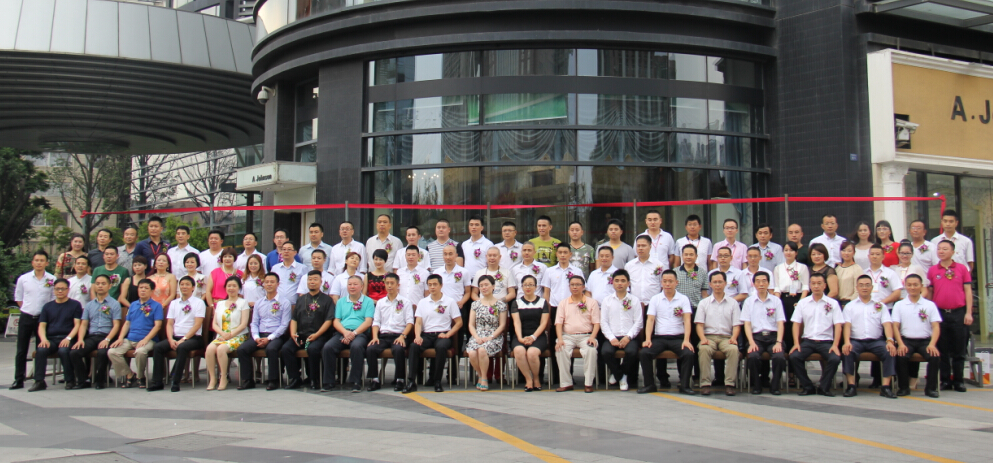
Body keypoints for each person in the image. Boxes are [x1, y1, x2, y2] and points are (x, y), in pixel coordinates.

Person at [637, 270, 695, 395]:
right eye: (665, 281)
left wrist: (686, 340)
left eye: (670, 281)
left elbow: (687, 320)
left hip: (678, 337)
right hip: (660, 338)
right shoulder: (655, 299)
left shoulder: (683, 299)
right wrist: (648, 339)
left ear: (676, 282)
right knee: (645, 353)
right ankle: (649, 385)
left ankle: (684, 385)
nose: (667, 284)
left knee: (688, 354)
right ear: (661, 282)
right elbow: (650, 320)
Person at [403, 274, 463, 393]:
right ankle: (411, 381)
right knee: (414, 346)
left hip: (443, 334)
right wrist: (418, 336)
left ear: (441, 285)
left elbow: (459, 322)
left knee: (441, 347)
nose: (432, 287)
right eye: (430, 285)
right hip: (427, 334)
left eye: (435, 284)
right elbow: (418, 322)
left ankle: (437, 381)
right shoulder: (423, 302)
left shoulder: (450, 301)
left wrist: (448, 334)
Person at [841, 275, 897, 398]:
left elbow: (887, 324)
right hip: (856, 341)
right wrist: (846, 341)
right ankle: (851, 386)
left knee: (889, 351)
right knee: (847, 351)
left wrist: (890, 341)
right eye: (861, 285)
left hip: (876, 341)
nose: (864, 288)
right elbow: (847, 326)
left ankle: (886, 387)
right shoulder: (850, 306)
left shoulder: (880, 305)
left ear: (872, 287)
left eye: (867, 285)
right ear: (857, 288)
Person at [927, 239, 972, 392]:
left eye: (945, 249)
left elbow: (968, 291)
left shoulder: (962, 269)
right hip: (940, 314)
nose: (941, 251)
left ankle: (958, 380)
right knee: (942, 349)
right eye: (939, 249)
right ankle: (945, 380)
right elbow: (930, 292)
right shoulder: (933, 270)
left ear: (953, 252)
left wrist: (968, 312)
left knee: (959, 349)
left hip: (958, 313)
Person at [788, 273, 843, 396]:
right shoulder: (803, 303)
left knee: (835, 359)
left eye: (819, 283)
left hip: (826, 342)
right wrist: (796, 343)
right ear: (810, 285)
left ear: (825, 285)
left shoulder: (833, 303)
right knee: (794, 357)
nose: (816, 286)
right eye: (813, 283)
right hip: (808, 341)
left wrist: (835, 345)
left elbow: (838, 325)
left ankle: (824, 387)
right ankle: (808, 386)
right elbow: (796, 324)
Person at [148, 276, 206, 392]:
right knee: (158, 347)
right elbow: (170, 324)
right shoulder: (174, 303)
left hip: (193, 338)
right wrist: (170, 339)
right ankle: (157, 381)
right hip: (175, 336)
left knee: (182, 347)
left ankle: (175, 380)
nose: (184, 287)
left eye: (187, 284)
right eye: (182, 284)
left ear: (193, 287)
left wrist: (184, 339)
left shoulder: (199, 303)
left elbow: (197, 324)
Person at [236, 273, 291, 391]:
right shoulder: (259, 303)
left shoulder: (284, 302)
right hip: (260, 334)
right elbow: (254, 323)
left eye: (272, 282)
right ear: (263, 284)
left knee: (271, 349)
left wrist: (269, 338)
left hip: (276, 335)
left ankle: (273, 380)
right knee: (242, 349)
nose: (269, 284)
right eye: (267, 282)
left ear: (278, 284)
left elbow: (284, 325)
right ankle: (248, 380)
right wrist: (256, 337)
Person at [281, 271, 335, 390]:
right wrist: (293, 333)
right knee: (286, 349)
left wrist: (317, 335)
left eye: (315, 279)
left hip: (319, 335)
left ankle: (314, 379)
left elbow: (329, 320)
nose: (312, 282)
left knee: (313, 349)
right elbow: (294, 318)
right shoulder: (301, 299)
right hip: (301, 335)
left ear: (321, 282)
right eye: (310, 279)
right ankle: (295, 378)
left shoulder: (327, 300)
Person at [11, 251, 56, 390]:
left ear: (46, 263)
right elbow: (19, 298)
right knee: (21, 349)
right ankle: (19, 379)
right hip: (26, 316)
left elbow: (53, 299)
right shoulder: (23, 279)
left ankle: (39, 379)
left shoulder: (51, 279)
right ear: (32, 262)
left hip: (43, 318)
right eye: (36, 260)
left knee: (41, 349)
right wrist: (27, 309)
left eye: (42, 260)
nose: (39, 263)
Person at [107, 279, 164, 389]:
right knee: (112, 352)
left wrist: (146, 339)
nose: (143, 290)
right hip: (130, 339)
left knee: (140, 352)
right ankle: (129, 374)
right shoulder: (133, 305)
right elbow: (127, 323)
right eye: (140, 288)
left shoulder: (156, 306)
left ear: (152, 291)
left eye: (146, 288)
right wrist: (120, 338)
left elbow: (157, 326)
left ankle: (140, 376)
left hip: (147, 339)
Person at [28, 279, 83, 391]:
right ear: (54, 290)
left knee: (64, 351)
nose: (60, 291)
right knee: (41, 350)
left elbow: (77, 325)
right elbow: (42, 326)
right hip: (51, 339)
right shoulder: (47, 306)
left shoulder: (75, 305)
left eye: (63, 289)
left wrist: (68, 338)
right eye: (57, 289)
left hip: (67, 338)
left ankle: (70, 380)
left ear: (68, 290)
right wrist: (44, 339)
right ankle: (39, 381)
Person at [892, 274, 942, 398]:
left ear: (921, 286)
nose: (912, 287)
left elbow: (936, 326)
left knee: (934, 356)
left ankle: (931, 388)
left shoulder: (930, 305)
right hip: (906, 340)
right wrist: (900, 344)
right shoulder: (899, 305)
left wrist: (932, 344)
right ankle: (903, 387)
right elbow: (895, 327)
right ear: (905, 286)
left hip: (925, 341)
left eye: (915, 285)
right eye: (909, 285)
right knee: (901, 356)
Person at [324, 275, 375, 392]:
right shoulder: (341, 301)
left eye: (355, 284)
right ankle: (329, 381)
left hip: (360, 333)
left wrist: (354, 333)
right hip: (343, 332)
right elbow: (336, 321)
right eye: (350, 284)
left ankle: (355, 381)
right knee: (328, 347)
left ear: (361, 286)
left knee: (357, 347)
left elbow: (368, 322)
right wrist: (345, 332)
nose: (352, 287)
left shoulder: (368, 301)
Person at [69, 275, 121, 390]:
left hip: (107, 336)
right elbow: (84, 324)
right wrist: (80, 339)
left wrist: (107, 339)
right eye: (97, 284)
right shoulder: (89, 305)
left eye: (103, 284)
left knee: (102, 353)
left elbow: (116, 325)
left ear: (109, 286)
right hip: (92, 336)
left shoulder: (114, 304)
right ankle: (83, 380)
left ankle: (100, 380)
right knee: (74, 352)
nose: (100, 286)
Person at [695, 271, 741, 396]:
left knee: (733, 349)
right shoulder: (704, 303)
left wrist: (734, 338)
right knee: (704, 349)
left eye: (720, 282)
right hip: (709, 337)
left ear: (725, 283)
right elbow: (699, 324)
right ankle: (705, 384)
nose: (717, 285)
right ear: (710, 284)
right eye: (715, 282)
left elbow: (736, 325)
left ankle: (729, 384)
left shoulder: (733, 303)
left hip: (726, 337)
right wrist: (702, 338)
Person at [366, 273, 414, 391]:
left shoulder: (405, 302)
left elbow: (410, 322)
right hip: (383, 336)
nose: (389, 286)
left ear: (398, 285)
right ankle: (375, 379)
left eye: (392, 283)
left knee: (398, 349)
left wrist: (403, 336)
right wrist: (375, 337)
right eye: (387, 283)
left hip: (399, 335)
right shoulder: (381, 302)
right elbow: (376, 322)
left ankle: (400, 379)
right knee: (371, 348)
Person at [740, 271, 785, 395]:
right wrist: (751, 342)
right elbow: (747, 324)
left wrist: (779, 342)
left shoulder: (776, 301)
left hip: (773, 337)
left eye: (764, 281)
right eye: (758, 281)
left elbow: (780, 323)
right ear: (754, 284)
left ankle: (775, 386)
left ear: (768, 283)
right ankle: (757, 385)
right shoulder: (749, 301)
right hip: (756, 337)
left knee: (779, 357)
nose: (761, 284)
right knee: (753, 356)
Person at [554, 276, 600, 393]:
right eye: (572, 285)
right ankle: (566, 383)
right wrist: (560, 339)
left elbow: (596, 323)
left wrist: (592, 337)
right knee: (561, 349)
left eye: (578, 284)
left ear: (583, 287)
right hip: (567, 336)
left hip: (586, 336)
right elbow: (559, 323)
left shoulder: (592, 302)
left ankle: (588, 383)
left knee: (591, 350)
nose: (575, 287)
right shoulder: (563, 303)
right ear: (569, 286)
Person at [204, 276, 250, 391]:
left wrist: (230, 335)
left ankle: (223, 376)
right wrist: (222, 334)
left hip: (238, 336)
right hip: (222, 336)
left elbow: (243, 324)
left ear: (239, 288)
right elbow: (214, 324)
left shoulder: (243, 303)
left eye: (234, 286)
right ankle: (212, 378)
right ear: (225, 288)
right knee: (209, 349)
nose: (231, 288)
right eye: (229, 286)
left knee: (221, 349)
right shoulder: (220, 304)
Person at [599, 270, 642, 391]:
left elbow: (638, 322)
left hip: (629, 336)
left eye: (623, 281)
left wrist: (628, 337)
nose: (620, 283)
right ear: (612, 282)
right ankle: (621, 376)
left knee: (632, 352)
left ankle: (619, 374)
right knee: (605, 352)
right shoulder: (607, 300)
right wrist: (611, 338)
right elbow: (604, 322)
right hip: (612, 336)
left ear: (628, 283)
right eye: (617, 281)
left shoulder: (634, 300)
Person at [465, 275, 508, 391]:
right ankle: (481, 375)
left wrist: (491, 337)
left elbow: (502, 325)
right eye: (481, 286)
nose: (484, 288)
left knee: (482, 350)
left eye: (486, 285)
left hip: (494, 336)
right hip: (478, 335)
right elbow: (471, 325)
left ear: (493, 286)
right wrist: (476, 337)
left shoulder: (500, 305)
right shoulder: (475, 304)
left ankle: (484, 378)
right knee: (472, 353)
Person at [510, 275, 550, 392]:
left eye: (531, 285)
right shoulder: (516, 303)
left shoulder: (542, 302)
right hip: (521, 335)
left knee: (532, 353)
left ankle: (536, 378)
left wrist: (533, 337)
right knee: (519, 351)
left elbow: (543, 323)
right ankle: (528, 379)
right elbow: (516, 322)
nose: (528, 287)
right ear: (521, 287)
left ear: (536, 287)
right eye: (525, 285)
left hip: (538, 336)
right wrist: (520, 338)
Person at [773, 242, 809, 363]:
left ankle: (794, 365)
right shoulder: (778, 268)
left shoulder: (802, 267)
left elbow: (805, 286)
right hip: (783, 299)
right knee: (784, 328)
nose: (788, 253)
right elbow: (777, 287)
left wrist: (801, 302)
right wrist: (777, 302)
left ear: (796, 253)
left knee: (796, 328)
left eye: (791, 250)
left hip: (797, 299)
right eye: (786, 250)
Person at [436, 245, 471, 347]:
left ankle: (457, 356)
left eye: (450, 254)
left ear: (456, 255)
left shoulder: (464, 272)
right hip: (441, 308)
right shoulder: (437, 272)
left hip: (457, 307)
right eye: (445, 254)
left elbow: (468, 292)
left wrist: (462, 302)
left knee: (458, 337)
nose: (448, 257)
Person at [625, 235, 665, 305]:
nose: (640, 248)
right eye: (638, 246)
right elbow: (627, 286)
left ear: (650, 247)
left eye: (643, 246)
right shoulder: (629, 265)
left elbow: (663, 285)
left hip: (654, 303)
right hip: (635, 304)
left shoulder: (659, 265)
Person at [272, 241, 309, 306]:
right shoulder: (275, 268)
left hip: (294, 304)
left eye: (289, 249)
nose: (286, 252)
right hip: (277, 304)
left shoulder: (302, 268)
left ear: (295, 252)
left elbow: (305, 287)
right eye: (284, 249)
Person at [675, 244, 710, 309]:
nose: (688, 257)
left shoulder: (703, 273)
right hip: (678, 309)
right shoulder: (675, 272)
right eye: (686, 255)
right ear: (682, 256)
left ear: (696, 256)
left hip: (696, 308)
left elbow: (704, 294)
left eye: (691, 255)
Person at [835, 241, 862, 307]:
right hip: (837, 303)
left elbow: (858, 290)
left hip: (850, 303)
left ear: (854, 252)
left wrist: (849, 303)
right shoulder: (837, 268)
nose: (846, 253)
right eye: (843, 250)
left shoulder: (857, 268)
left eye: (849, 251)